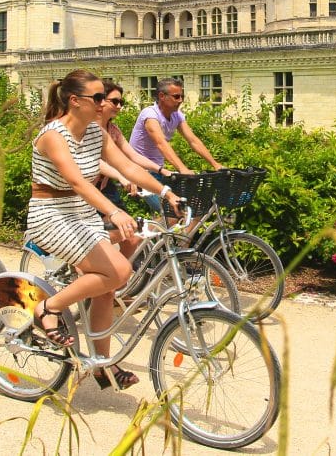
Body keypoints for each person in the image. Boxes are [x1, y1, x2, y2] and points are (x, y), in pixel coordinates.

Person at [27, 70, 180, 390]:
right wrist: (113, 210)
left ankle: (101, 366)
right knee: (119, 270)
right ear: (74, 100)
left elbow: (128, 167)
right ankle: (47, 308)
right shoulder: (53, 135)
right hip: (51, 215)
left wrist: (165, 192)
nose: (104, 103)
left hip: (81, 214)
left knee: (107, 285)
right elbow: (77, 181)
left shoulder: (95, 134)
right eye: (97, 98)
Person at [94, 81, 175, 260]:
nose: (119, 106)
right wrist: (122, 177)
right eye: (114, 101)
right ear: (100, 101)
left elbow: (133, 157)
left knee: (130, 236)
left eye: (122, 102)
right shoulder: (88, 130)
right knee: (97, 244)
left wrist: (161, 170)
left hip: (106, 189)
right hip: (86, 191)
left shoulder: (112, 130)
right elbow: (94, 160)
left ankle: (117, 279)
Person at [129, 77, 223, 175]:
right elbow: (161, 143)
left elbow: (193, 140)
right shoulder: (150, 115)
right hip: (137, 170)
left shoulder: (177, 115)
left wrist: (215, 164)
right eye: (176, 96)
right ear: (162, 96)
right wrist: (182, 169)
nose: (180, 100)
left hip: (158, 169)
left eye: (182, 96)